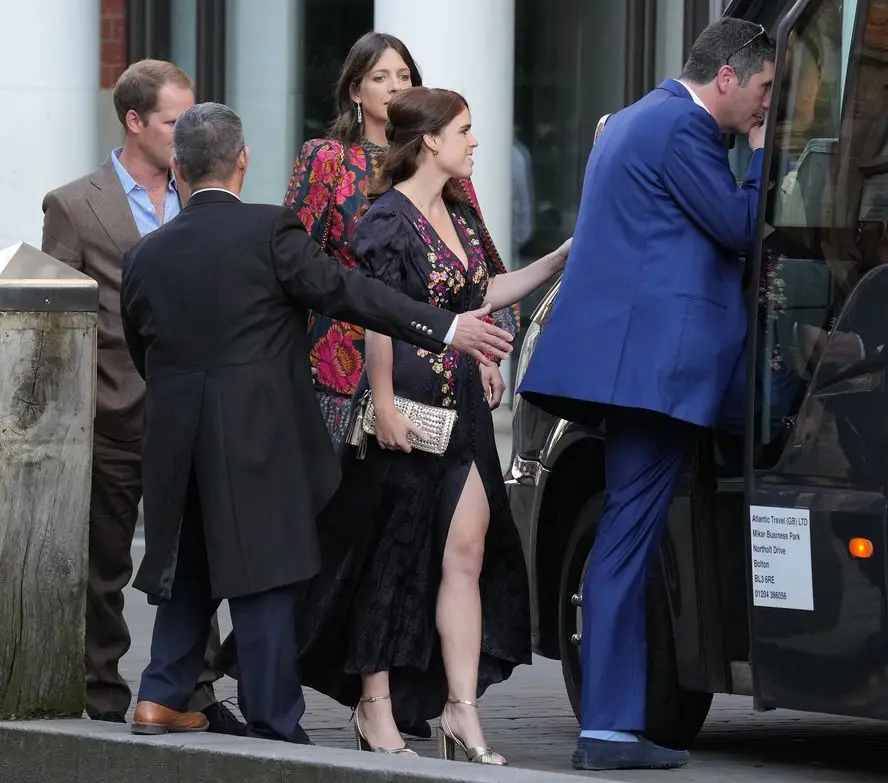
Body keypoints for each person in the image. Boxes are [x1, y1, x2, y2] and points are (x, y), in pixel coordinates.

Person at [120, 102, 514, 742]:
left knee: (188, 563)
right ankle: (275, 720)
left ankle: (160, 696)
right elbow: (351, 293)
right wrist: (445, 326)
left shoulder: (144, 255)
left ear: (179, 167)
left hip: (173, 437)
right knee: (266, 571)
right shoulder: (270, 232)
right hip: (257, 436)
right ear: (243, 160)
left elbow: (144, 349)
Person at [517, 19, 775, 771]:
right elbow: (739, 224)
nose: (764, 108)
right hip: (660, 374)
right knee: (627, 546)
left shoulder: (634, 119)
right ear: (727, 77)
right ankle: (607, 728)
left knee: (622, 544)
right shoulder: (682, 130)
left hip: (634, 370)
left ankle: (613, 722)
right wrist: (759, 157)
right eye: (762, 92)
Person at [294, 87, 571, 764]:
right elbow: (379, 313)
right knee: (389, 555)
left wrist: (560, 258)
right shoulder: (386, 220)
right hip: (409, 404)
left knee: (467, 557)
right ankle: (375, 701)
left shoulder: (460, 214)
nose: (477, 142)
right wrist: (382, 397)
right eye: (466, 131)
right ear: (431, 143)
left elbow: (483, 295)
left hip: (464, 413)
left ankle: (460, 707)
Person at [40, 59, 240, 735]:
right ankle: (101, 691)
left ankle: (199, 689)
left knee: (199, 553)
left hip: (197, 411)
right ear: (133, 122)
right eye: (171, 121)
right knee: (105, 563)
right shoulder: (73, 204)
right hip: (116, 414)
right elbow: (62, 326)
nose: (185, 132)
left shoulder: (203, 192)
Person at [285, 32, 514, 458]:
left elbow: (480, 270)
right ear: (356, 90)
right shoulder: (328, 158)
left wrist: (486, 355)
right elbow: (295, 263)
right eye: (380, 76)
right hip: (342, 363)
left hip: (430, 362)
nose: (394, 86)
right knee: (347, 506)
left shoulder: (442, 161)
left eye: (404, 76)